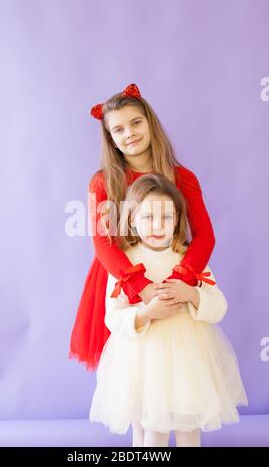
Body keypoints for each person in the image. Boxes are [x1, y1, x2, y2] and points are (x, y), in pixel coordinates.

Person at [89, 172, 248, 447]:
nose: (157, 225)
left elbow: (218, 305)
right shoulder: (126, 265)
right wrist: (147, 313)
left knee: (188, 428)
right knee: (151, 431)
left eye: (166, 217)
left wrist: (192, 294)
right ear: (132, 219)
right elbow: (113, 317)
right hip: (143, 361)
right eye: (148, 217)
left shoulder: (190, 260)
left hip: (188, 360)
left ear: (177, 221)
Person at [69, 83, 216, 371]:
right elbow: (103, 242)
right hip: (120, 276)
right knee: (130, 358)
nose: (130, 133)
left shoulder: (183, 177)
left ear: (150, 123)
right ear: (111, 139)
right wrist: (139, 286)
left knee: (170, 357)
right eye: (119, 129)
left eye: (136, 122)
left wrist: (180, 281)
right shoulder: (102, 182)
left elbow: (204, 236)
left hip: (172, 272)